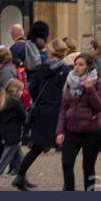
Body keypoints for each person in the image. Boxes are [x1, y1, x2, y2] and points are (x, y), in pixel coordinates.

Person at [12, 38, 69, 190]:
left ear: (50, 52)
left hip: (42, 112)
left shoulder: (40, 70)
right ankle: (67, 185)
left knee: (36, 148)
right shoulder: (66, 71)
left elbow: (32, 91)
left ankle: (20, 175)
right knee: (67, 148)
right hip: (58, 113)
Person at [55, 51, 101, 191]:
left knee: (88, 167)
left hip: (92, 131)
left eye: (81, 65)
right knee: (67, 163)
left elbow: (99, 106)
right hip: (71, 131)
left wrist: (89, 88)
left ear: (89, 67)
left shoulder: (98, 83)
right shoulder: (69, 83)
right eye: (75, 64)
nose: (76, 67)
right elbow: (63, 110)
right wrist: (59, 131)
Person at [0, 80, 27, 186]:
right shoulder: (16, 103)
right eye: (21, 91)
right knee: (4, 160)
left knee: (21, 159)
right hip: (13, 135)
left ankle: (23, 180)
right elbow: (23, 117)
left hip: (7, 134)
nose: (22, 93)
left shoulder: (5, 101)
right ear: (15, 91)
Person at [0, 46, 18, 170]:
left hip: (2, 107)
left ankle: (5, 165)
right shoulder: (6, 69)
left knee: (1, 139)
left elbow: (8, 88)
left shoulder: (5, 71)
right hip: (1, 106)